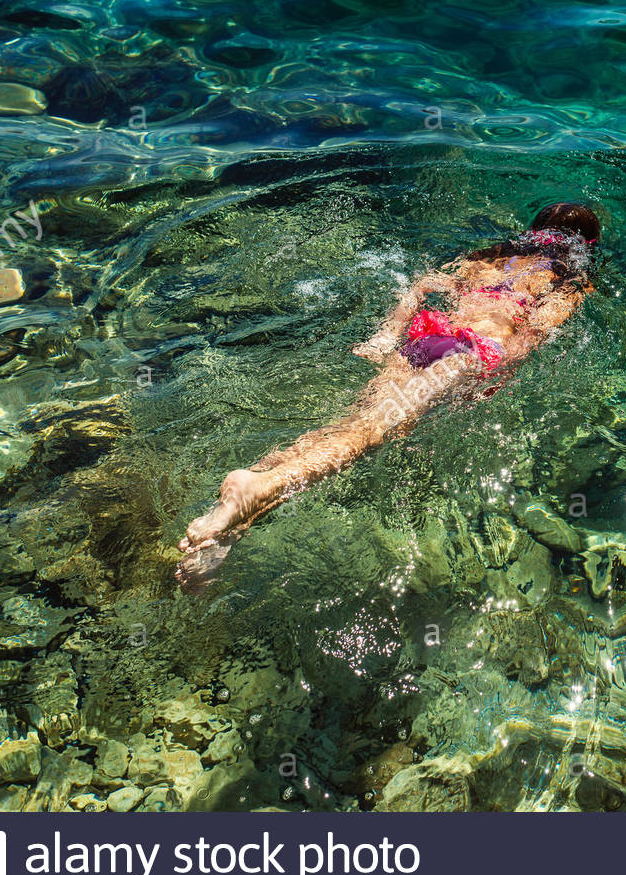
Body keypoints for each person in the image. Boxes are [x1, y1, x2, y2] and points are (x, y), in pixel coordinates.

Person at [176, 202, 601, 589]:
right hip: (468, 353)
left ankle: (226, 530)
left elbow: (420, 286)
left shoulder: (488, 256)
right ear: (586, 246)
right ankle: (258, 485)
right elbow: (532, 334)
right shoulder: (572, 280)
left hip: (425, 336)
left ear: (532, 229)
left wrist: (385, 335)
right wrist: (493, 377)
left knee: (357, 426)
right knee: (374, 432)